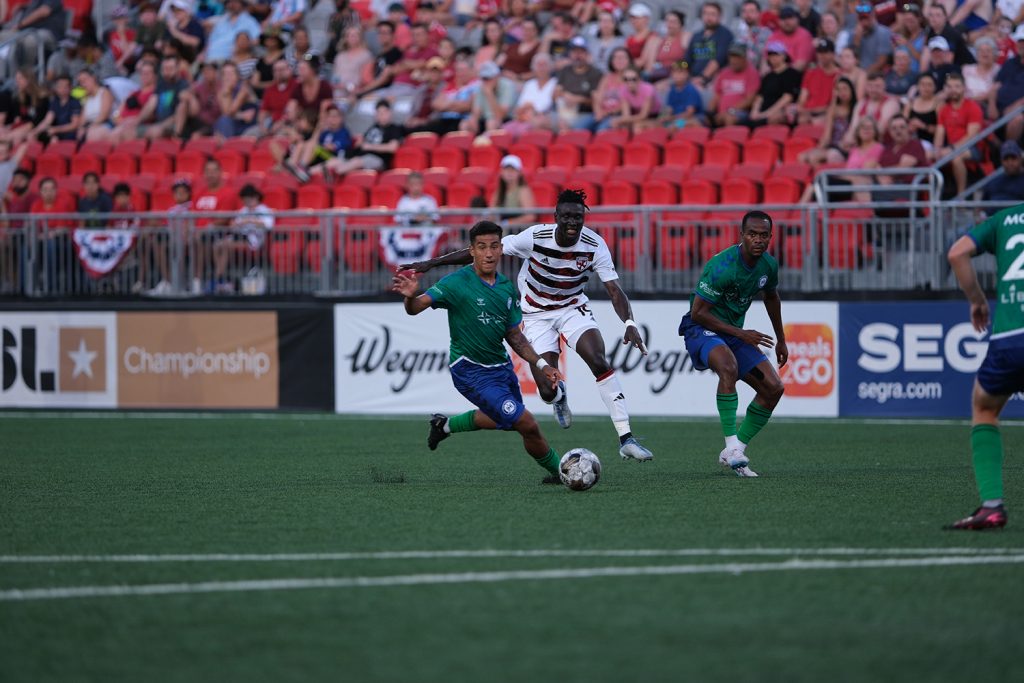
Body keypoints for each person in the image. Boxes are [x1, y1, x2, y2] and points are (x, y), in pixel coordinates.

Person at [402, 189, 655, 462]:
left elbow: (615, 290)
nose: (572, 222)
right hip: (535, 314)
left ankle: (626, 438)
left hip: (572, 309)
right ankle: (559, 397)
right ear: (556, 217)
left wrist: (629, 322)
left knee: (598, 360)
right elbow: (478, 251)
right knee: (546, 390)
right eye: (567, 216)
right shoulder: (534, 237)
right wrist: (431, 264)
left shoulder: (595, 245)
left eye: (578, 217)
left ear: (584, 218)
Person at [391, 220, 566, 483]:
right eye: (482, 247)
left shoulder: (507, 288)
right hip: (469, 370)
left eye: (494, 246)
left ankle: (444, 426)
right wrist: (409, 297)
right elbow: (416, 308)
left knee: (503, 420)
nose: (489, 253)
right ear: (471, 250)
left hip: (501, 368)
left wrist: (543, 365)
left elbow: (515, 338)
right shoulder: (455, 283)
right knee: (526, 424)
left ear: (501, 249)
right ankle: (562, 472)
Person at [678, 210, 787, 478]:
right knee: (727, 366)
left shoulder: (768, 266)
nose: (758, 240)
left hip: (733, 333)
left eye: (764, 235)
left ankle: (735, 449)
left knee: (774, 388)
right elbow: (698, 313)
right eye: (752, 234)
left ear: (770, 237)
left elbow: (771, 297)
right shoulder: (723, 266)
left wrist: (781, 339)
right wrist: (741, 334)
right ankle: (731, 447)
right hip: (700, 328)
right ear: (742, 235)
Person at [941, 199, 1024, 529]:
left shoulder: (1006, 218)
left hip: (1010, 338)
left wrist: (977, 301)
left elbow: (956, 253)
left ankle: (992, 506)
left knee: (985, 407)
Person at [213, 184, 274, 292]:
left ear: (256, 197)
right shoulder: (243, 211)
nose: (248, 202)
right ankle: (220, 276)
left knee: (226, 246)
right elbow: (234, 226)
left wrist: (251, 220)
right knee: (217, 245)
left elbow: (268, 225)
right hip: (240, 237)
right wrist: (236, 224)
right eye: (245, 200)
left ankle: (218, 278)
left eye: (250, 198)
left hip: (254, 241)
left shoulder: (264, 210)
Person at [934, 72, 983, 195]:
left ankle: (961, 196)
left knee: (956, 158)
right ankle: (930, 200)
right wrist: (937, 150)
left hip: (973, 148)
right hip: (952, 147)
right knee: (926, 155)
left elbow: (972, 136)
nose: (953, 90)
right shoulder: (944, 109)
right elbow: (939, 133)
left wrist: (952, 149)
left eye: (957, 86)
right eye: (949, 87)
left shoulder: (972, 107)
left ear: (964, 88)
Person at [749, 41, 801, 126]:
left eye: (776, 54)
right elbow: (760, 97)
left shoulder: (792, 74)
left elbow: (787, 98)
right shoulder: (768, 77)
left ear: (784, 56)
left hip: (779, 112)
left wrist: (767, 113)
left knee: (774, 119)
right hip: (763, 111)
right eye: (770, 55)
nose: (773, 57)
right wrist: (755, 111)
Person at [710, 43, 761, 126]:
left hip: (740, 113)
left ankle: (726, 138)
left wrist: (730, 111)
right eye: (732, 56)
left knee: (729, 119)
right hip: (720, 113)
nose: (733, 60)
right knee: (685, 122)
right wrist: (710, 113)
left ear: (744, 58)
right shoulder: (724, 73)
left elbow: (749, 100)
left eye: (737, 57)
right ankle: (681, 132)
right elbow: (717, 96)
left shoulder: (752, 73)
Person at [490, 154, 536, 225]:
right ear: (501, 172)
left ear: (519, 172)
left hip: (517, 232)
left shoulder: (523, 191)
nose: (509, 172)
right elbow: (492, 212)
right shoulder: (499, 191)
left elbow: (530, 217)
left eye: (513, 169)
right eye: (506, 169)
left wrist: (508, 223)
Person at [982, 140, 1024, 207]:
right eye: (1006, 159)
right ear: (1001, 161)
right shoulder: (993, 181)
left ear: (1020, 159)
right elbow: (981, 207)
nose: (1010, 163)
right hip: (995, 216)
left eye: (1013, 158)